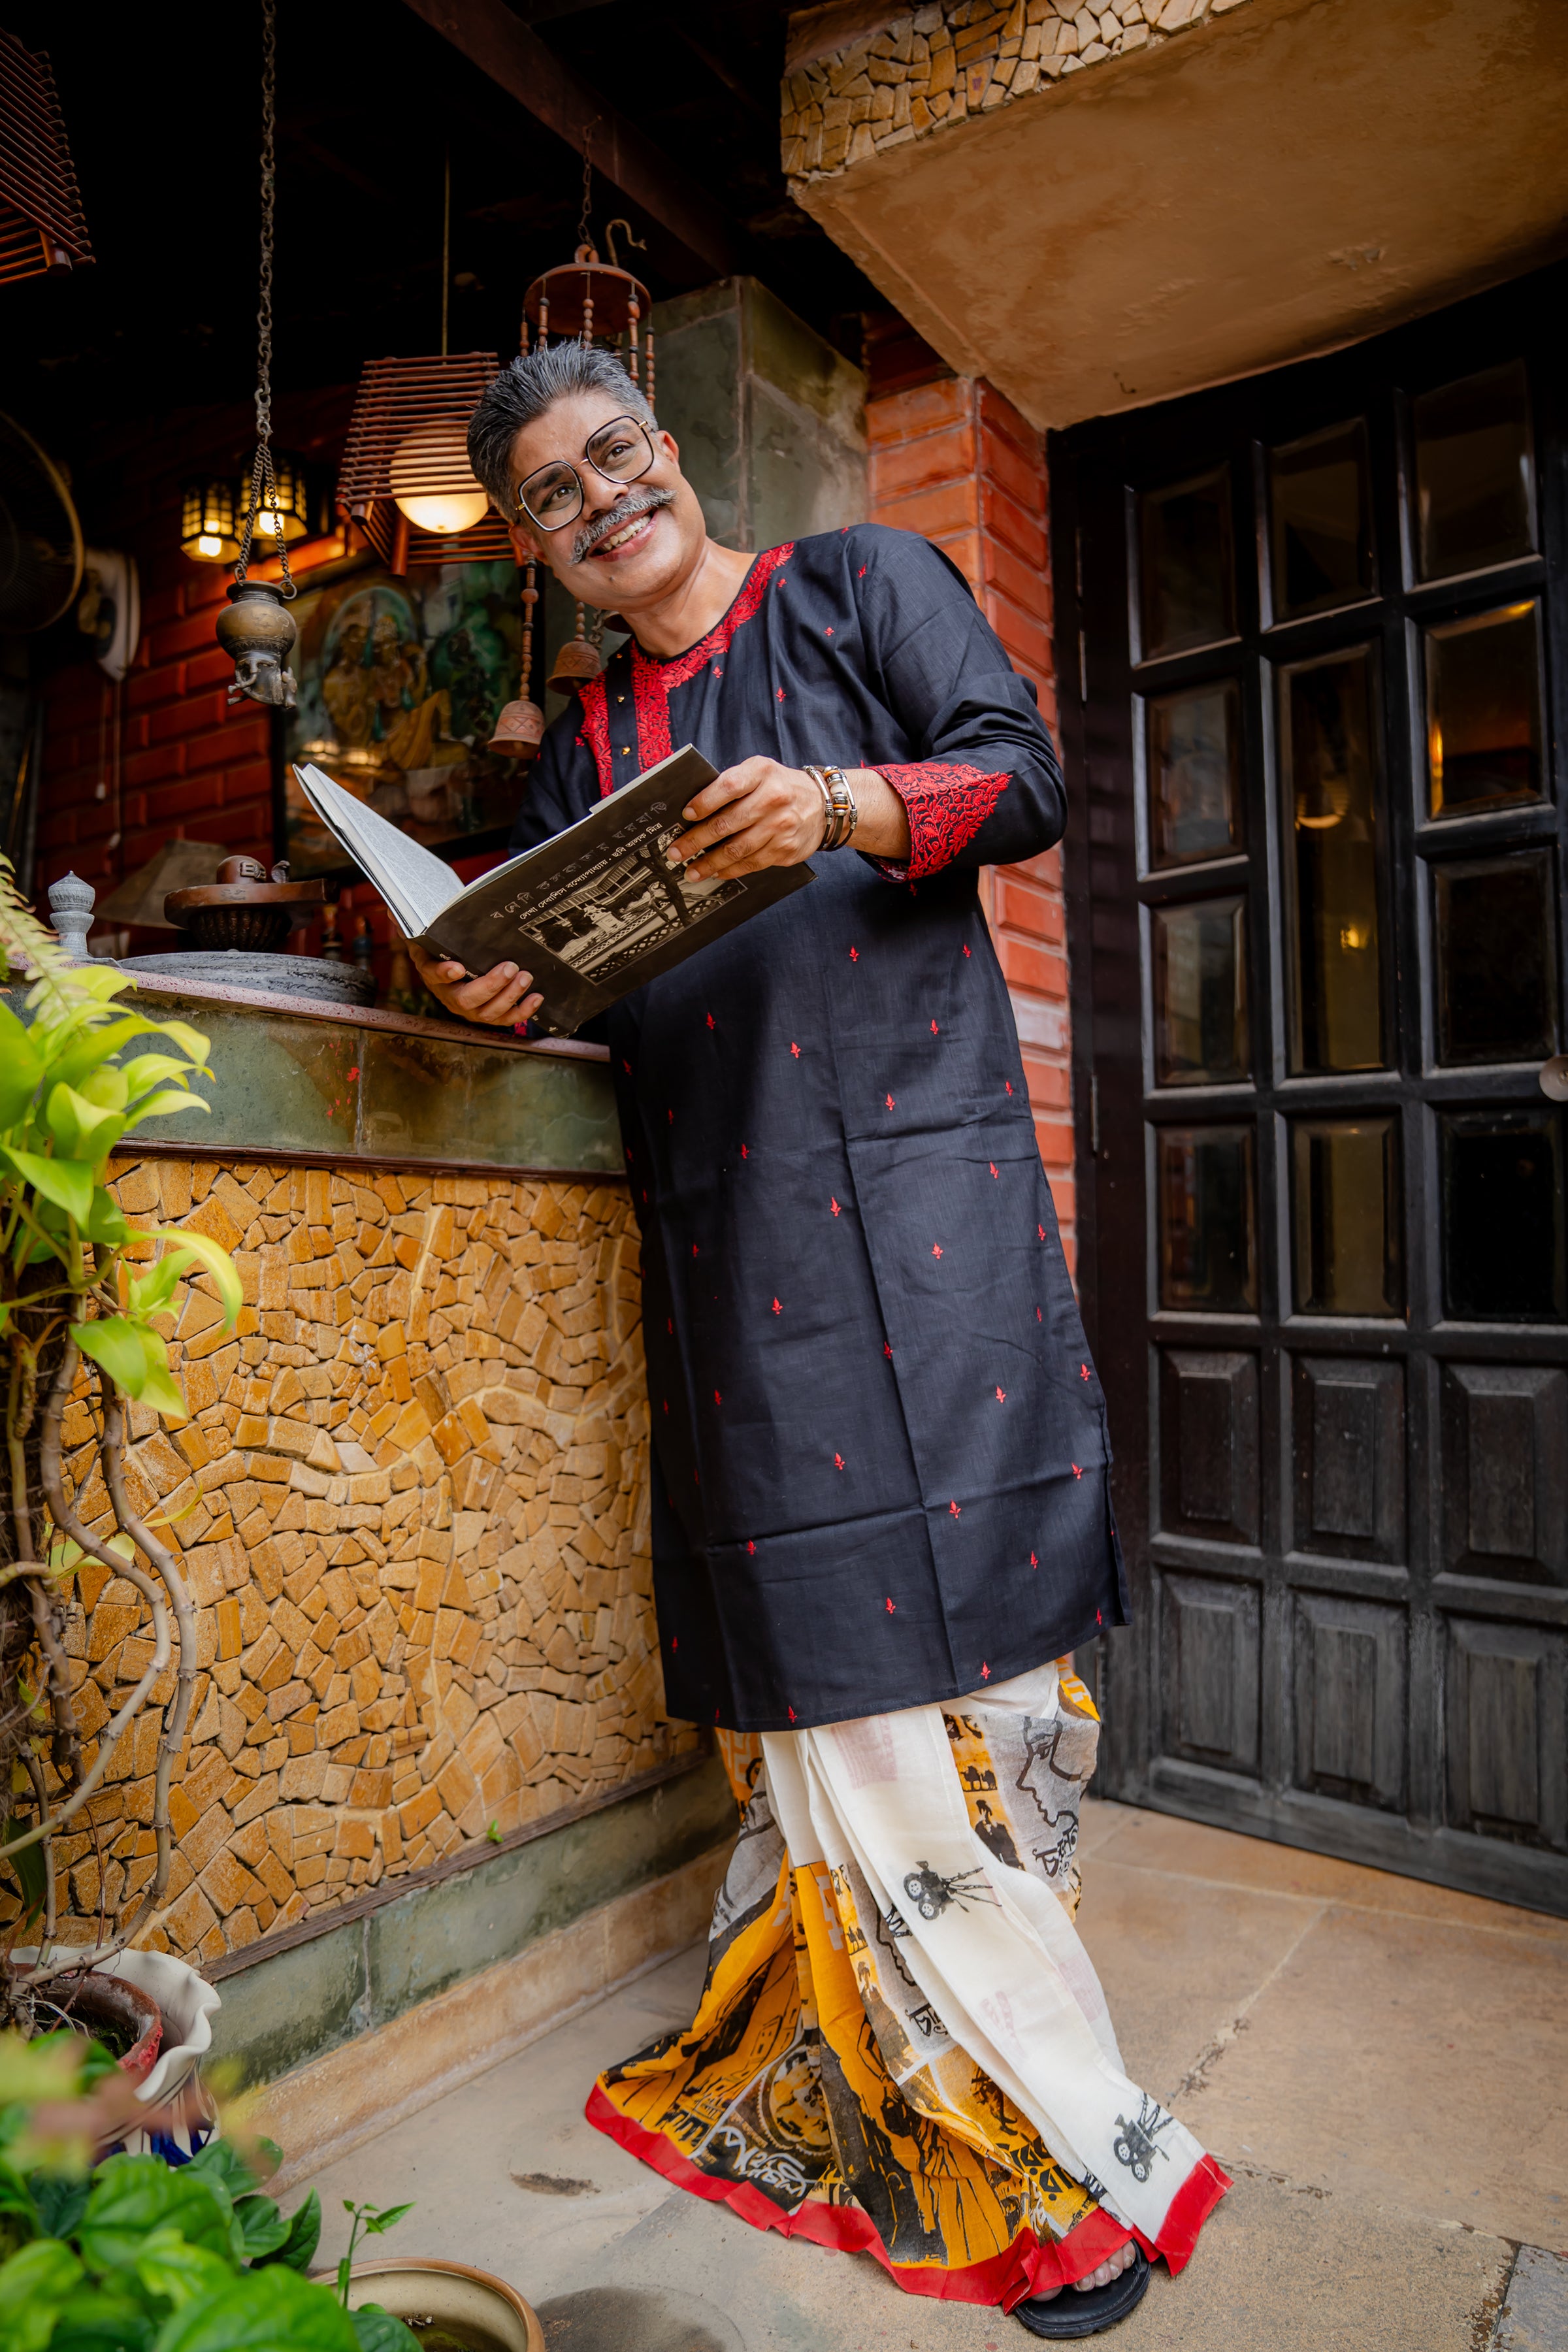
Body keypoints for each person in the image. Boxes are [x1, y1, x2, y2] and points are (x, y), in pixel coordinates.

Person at [410, 339, 1228, 2337]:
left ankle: (1039, 2107)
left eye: (615, 454)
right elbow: (590, 978)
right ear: (535, 548)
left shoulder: (858, 588)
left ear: (668, 449)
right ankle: (969, 2112)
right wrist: (496, 992)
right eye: (552, 496)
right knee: (827, 1679)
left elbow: (1025, 776)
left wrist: (845, 806)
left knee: (978, 1673)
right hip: (736, 1250)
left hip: (933, 1220)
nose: (601, 500)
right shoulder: (581, 752)